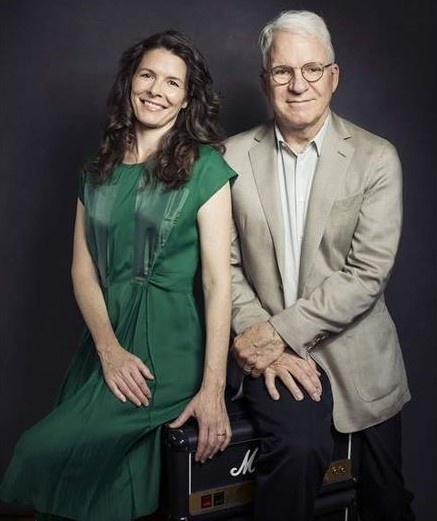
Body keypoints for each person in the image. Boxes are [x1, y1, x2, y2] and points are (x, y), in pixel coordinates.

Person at [1, 30, 236, 521]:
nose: (156, 89)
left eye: (173, 82)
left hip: (168, 349)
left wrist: (212, 388)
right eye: (147, 74)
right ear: (130, 81)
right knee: (102, 482)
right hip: (104, 343)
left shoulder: (207, 168)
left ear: (187, 98)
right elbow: (82, 269)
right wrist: (107, 351)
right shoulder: (96, 168)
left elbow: (218, 285)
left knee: (43, 448)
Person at [225, 10, 415, 521]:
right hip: (275, 362)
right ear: (266, 81)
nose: (298, 84)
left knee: (386, 503)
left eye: (312, 69)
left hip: (359, 356)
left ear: (334, 76)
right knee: (296, 463)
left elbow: (367, 275)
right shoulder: (229, 158)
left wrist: (280, 331)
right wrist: (256, 333)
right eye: (283, 71)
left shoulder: (376, 158)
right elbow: (226, 266)